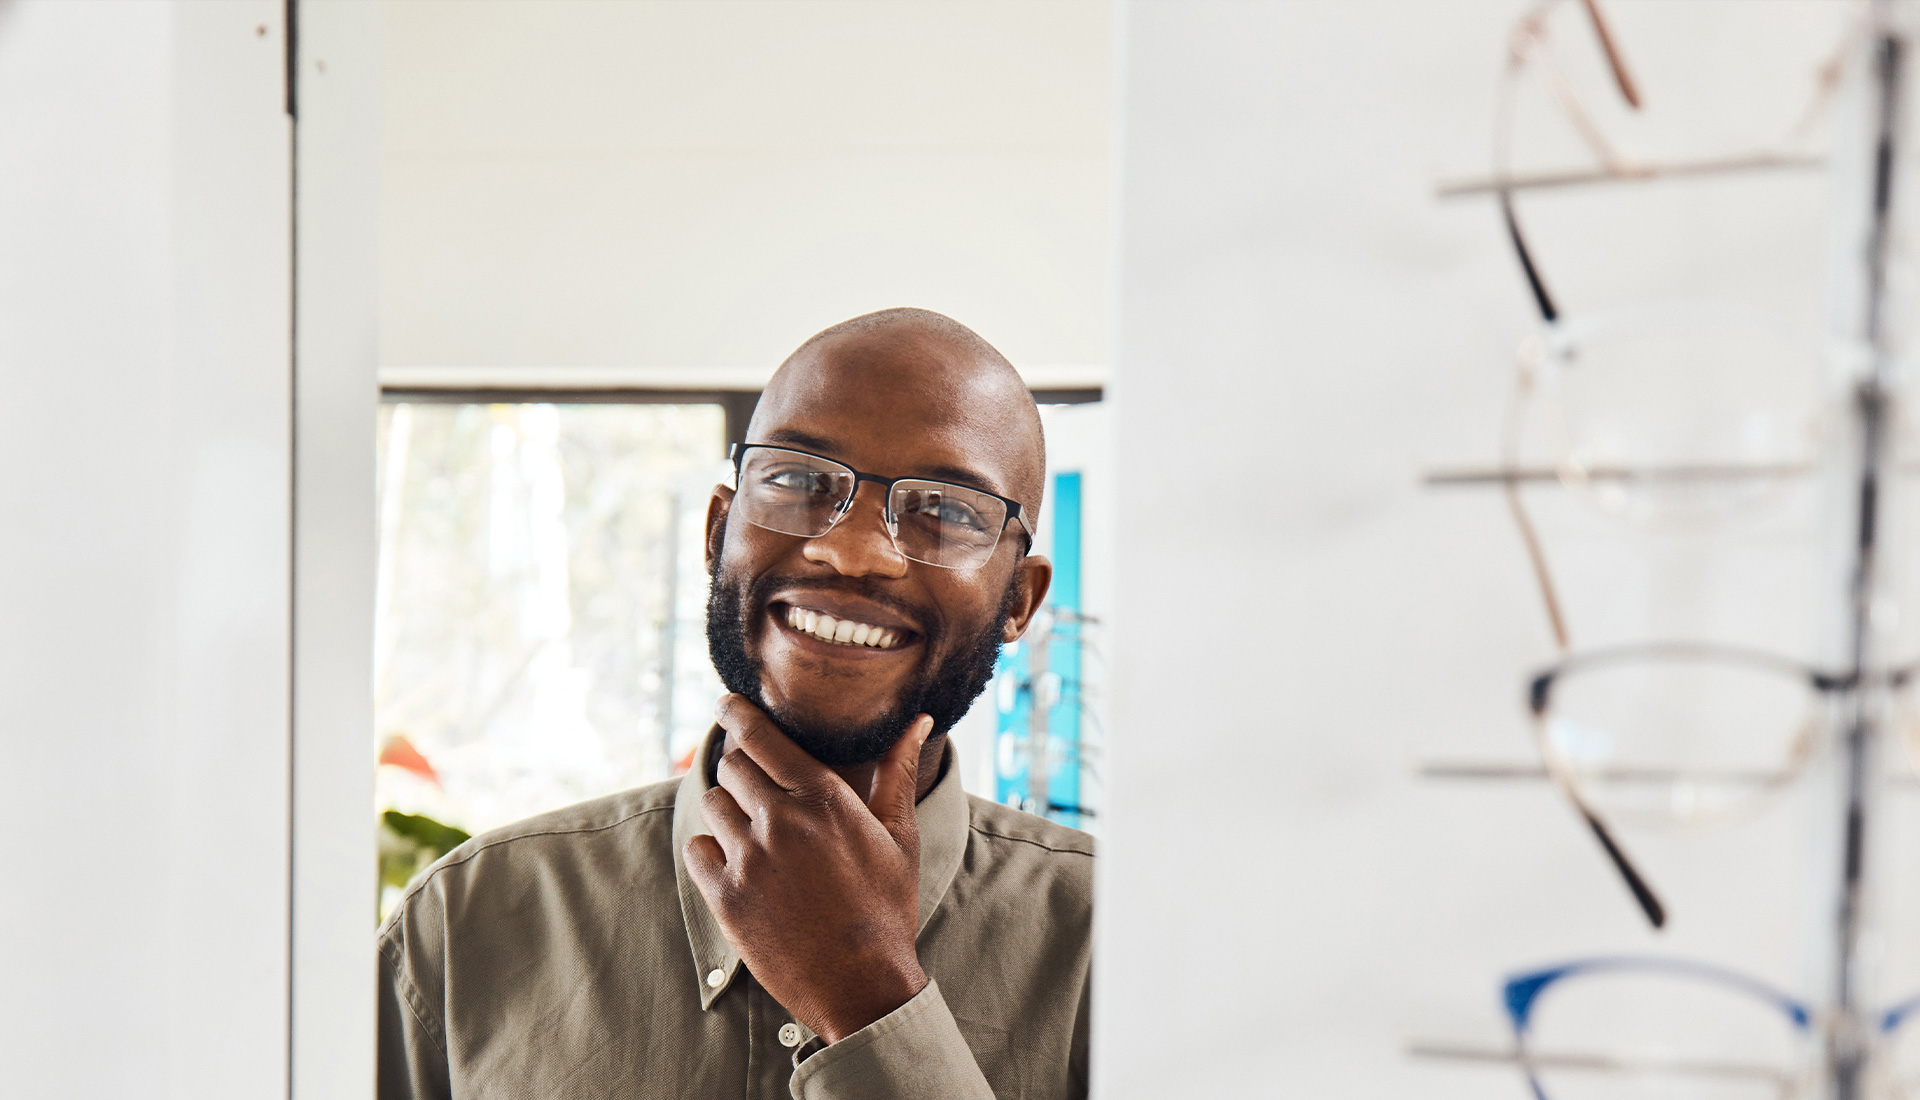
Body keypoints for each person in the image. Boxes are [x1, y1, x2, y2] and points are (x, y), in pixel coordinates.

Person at [378, 308, 1094, 1099]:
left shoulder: (1116, 948)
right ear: (719, 529)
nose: (850, 550)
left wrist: (871, 1000)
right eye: (799, 480)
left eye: (950, 510)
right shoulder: (463, 925)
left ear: (1020, 601)